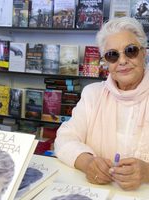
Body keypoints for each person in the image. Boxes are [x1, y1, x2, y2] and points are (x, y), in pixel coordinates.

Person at [54, 16, 149, 191]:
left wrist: (147, 173)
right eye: (112, 55)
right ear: (106, 63)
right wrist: (88, 162)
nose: (122, 61)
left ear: (144, 53)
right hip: (97, 192)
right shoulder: (93, 94)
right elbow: (64, 140)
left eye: (130, 51)